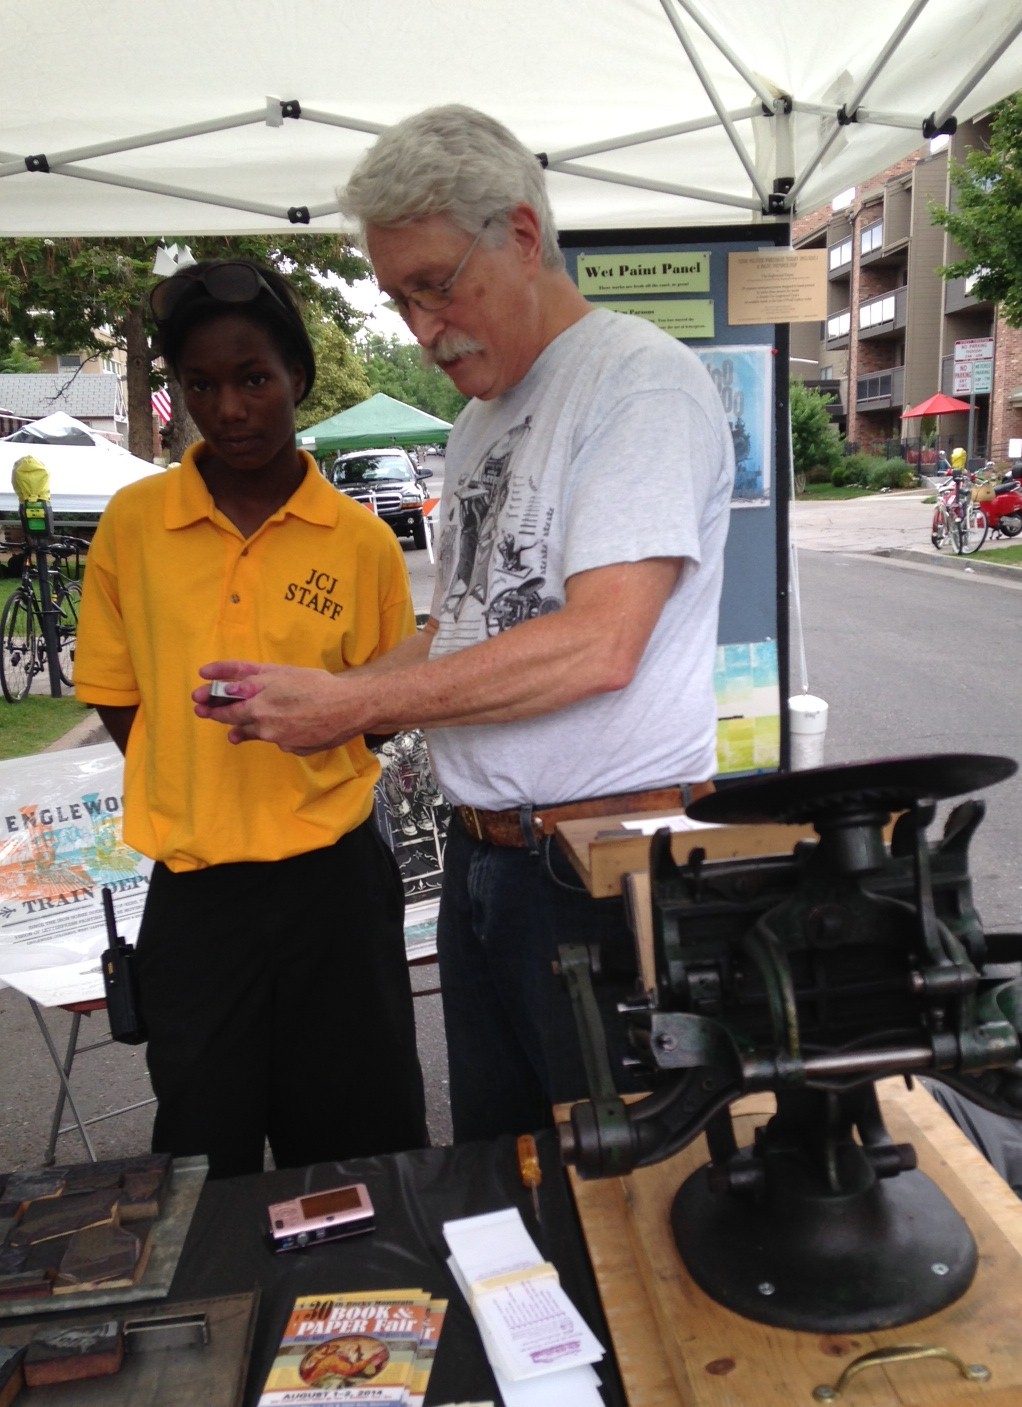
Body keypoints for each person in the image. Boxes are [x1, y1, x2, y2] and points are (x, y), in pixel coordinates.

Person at [194, 107, 736, 1144]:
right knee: (511, 1167)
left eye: (438, 284)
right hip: (494, 865)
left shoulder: (638, 383)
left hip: (601, 871)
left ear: (522, 237)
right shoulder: (486, 416)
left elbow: (599, 643)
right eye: (399, 299)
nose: (422, 328)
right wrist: (316, 697)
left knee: (627, 1191)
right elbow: (472, 622)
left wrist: (359, 702)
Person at [74, 258, 428, 1178]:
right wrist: (198, 777)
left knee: (362, 1147)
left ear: (298, 380)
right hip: (197, 898)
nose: (228, 408)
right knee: (205, 1151)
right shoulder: (134, 524)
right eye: (201, 384)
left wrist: (311, 746)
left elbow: (384, 709)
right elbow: (117, 693)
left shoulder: (360, 541)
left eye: (253, 379)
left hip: (337, 889)